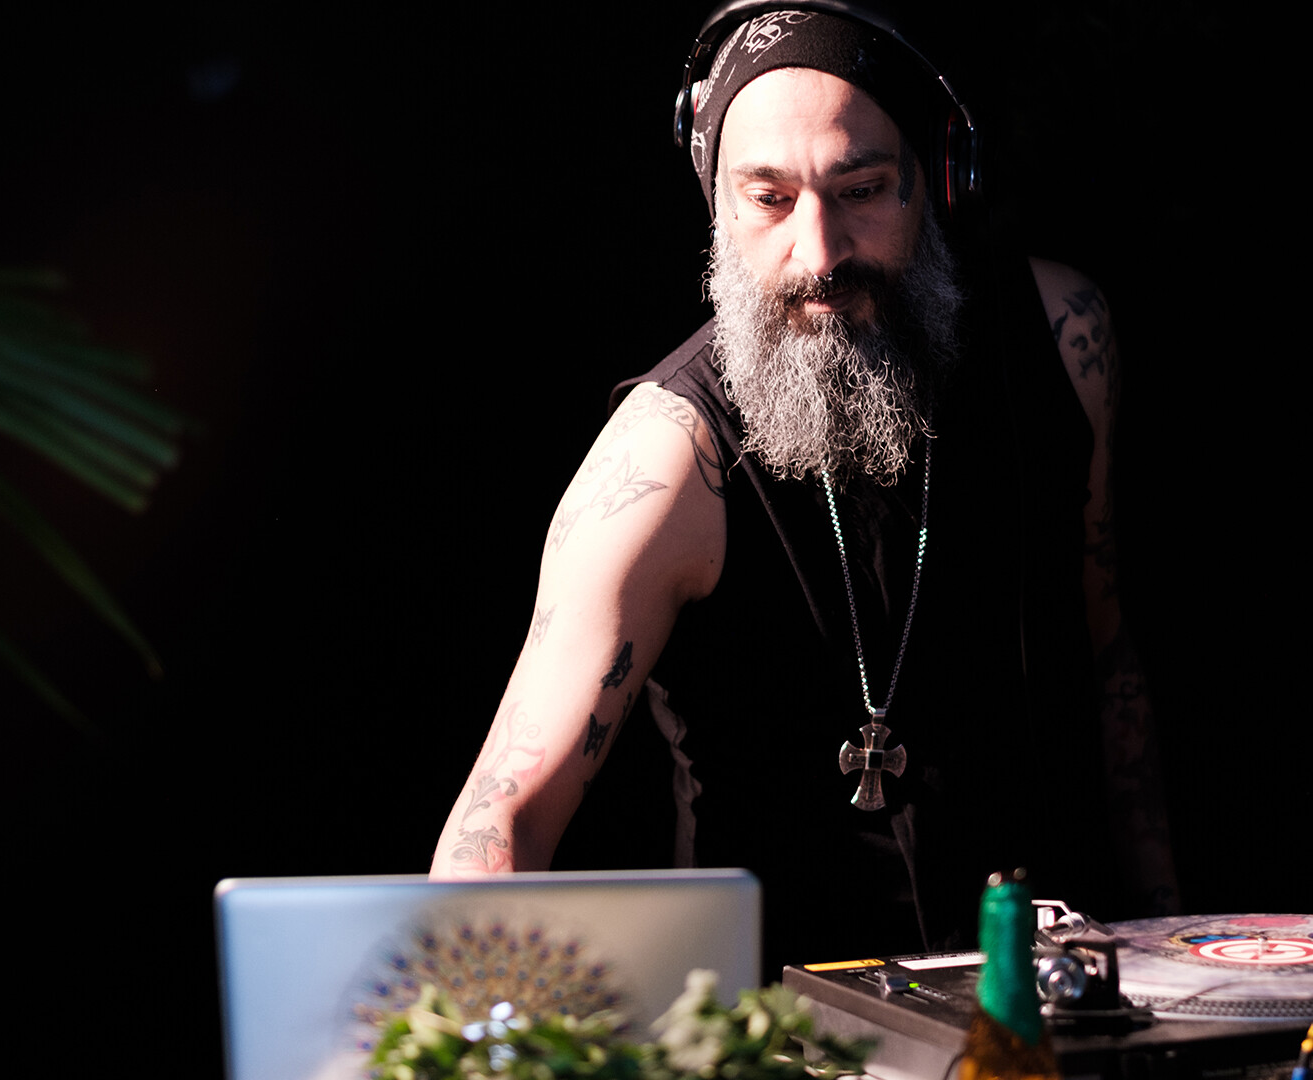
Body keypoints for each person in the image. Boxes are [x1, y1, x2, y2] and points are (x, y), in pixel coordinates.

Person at [432, 3, 1177, 971]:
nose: (819, 255)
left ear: (937, 179)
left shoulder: (1061, 337)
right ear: (718, 210)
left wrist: (1173, 947)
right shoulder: (662, 459)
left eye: (860, 189)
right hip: (782, 1029)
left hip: (1058, 1003)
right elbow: (498, 826)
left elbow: (1109, 664)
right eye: (769, 199)